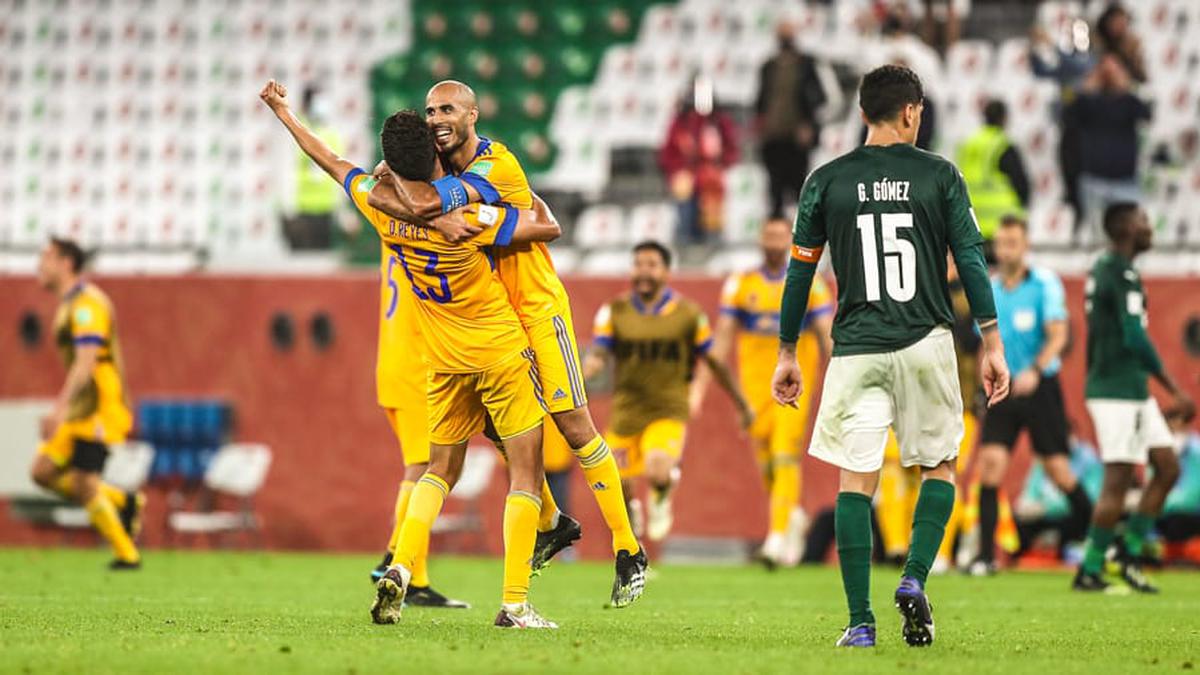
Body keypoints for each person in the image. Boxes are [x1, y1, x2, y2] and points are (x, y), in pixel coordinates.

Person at [261, 80, 561, 628]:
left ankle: (401, 566)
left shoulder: (379, 209)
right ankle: (515, 603)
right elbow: (542, 227)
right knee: (526, 471)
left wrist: (284, 113)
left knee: (436, 472)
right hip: (498, 351)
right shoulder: (465, 218)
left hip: (441, 362)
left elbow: (328, 159)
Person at [366, 80, 646, 608]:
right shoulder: (447, 172)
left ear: (473, 112)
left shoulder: (493, 166)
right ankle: (550, 524)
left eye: (446, 108)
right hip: (496, 328)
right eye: (429, 111)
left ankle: (628, 549)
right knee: (506, 436)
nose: (436, 118)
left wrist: (389, 177)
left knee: (573, 423)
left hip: (538, 311)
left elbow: (545, 225)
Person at [771, 64, 1009, 648]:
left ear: (861, 115)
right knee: (940, 464)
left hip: (854, 350)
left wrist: (787, 350)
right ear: (910, 112)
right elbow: (972, 261)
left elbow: (799, 274)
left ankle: (859, 622)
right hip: (926, 341)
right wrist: (992, 341)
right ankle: (914, 576)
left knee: (856, 482)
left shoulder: (825, 180)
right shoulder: (940, 174)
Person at [584, 241, 753, 543]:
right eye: (639, 264)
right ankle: (633, 509)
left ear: (666, 271)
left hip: (668, 408)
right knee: (615, 484)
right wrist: (586, 372)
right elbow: (599, 353)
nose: (644, 272)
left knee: (657, 467)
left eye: (652, 265)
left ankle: (661, 493)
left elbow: (713, 360)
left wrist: (741, 404)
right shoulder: (614, 311)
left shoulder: (688, 314)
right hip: (627, 411)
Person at [1073, 202, 1194, 593]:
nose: (1149, 226)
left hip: (1129, 390)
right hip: (1117, 394)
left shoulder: (1109, 269)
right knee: (1117, 482)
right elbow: (1134, 335)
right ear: (1126, 228)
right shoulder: (1119, 271)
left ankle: (1127, 554)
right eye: (1143, 220)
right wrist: (1173, 387)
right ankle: (1090, 568)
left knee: (1168, 466)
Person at [705, 217, 833, 568]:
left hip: (794, 387)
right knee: (768, 464)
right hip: (754, 391)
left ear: (789, 241)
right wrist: (718, 383)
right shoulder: (741, 284)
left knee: (784, 456)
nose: (774, 242)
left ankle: (775, 539)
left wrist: (839, 377)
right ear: (760, 239)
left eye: (780, 236)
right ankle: (790, 517)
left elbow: (826, 336)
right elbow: (722, 342)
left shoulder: (810, 283)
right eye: (769, 235)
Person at [364, 180, 467, 608]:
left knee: (424, 466)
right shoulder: (422, 231)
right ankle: (395, 556)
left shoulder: (390, 221)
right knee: (427, 468)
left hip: (393, 361)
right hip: (415, 365)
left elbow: (370, 187)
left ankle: (415, 575)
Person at [971, 215, 1090, 574]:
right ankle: (985, 556)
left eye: (1013, 243)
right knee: (989, 468)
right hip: (1004, 388)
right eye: (1001, 244)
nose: (1006, 250)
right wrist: (983, 385)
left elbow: (1058, 335)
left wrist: (1036, 371)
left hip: (1040, 388)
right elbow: (985, 344)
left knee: (1058, 471)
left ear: (1026, 247)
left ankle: (1096, 540)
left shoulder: (1045, 284)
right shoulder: (990, 288)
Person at [29, 238, 144, 570]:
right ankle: (123, 502)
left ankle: (127, 554)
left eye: (47, 257)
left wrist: (59, 409)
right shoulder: (71, 303)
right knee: (42, 472)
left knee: (82, 482)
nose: (39, 264)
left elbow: (86, 362)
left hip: (99, 405)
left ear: (67, 263)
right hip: (83, 406)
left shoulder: (86, 305)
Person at [1071, 56, 1152, 242]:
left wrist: (1126, 87)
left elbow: (1146, 115)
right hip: (1094, 180)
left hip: (1125, 181)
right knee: (1098, 240)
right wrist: (1085, 90)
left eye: (1113, 70)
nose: (1109, 75)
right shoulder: (1089, 102)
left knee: (1132, 237)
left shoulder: (1129, 101)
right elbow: (1068, 118)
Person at [755, 22, 827, 218]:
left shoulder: (806, 63)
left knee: (799, 190)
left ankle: (803, 238)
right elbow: (761, 101)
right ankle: (777, 237)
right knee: (775, 192)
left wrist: (809, 124)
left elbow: (819, 96)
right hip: (773, 136)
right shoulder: (769, 66)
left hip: (797, 137)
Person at [659, 75, 740, 244]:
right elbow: (668, 153)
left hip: (711, 179)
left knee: (712, 226)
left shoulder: (719, 121)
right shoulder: (679, 122)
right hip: (687, 178)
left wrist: (719, 165)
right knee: (685, 218)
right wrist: (680, 170)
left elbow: (731, 148)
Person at [956, 101, 1029, 257]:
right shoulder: (1002, 144)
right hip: (1002, 227)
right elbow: (1021, 185)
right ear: (1004, 118)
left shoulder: (969, 144)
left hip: (972, 226)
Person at [282, 84, 344, 250]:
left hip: (327, 211)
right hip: (302, 211)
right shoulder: (295, 131)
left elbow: (340, 171)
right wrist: (289, 208)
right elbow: (286, 172)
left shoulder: (332, 134)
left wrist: (342, 210)